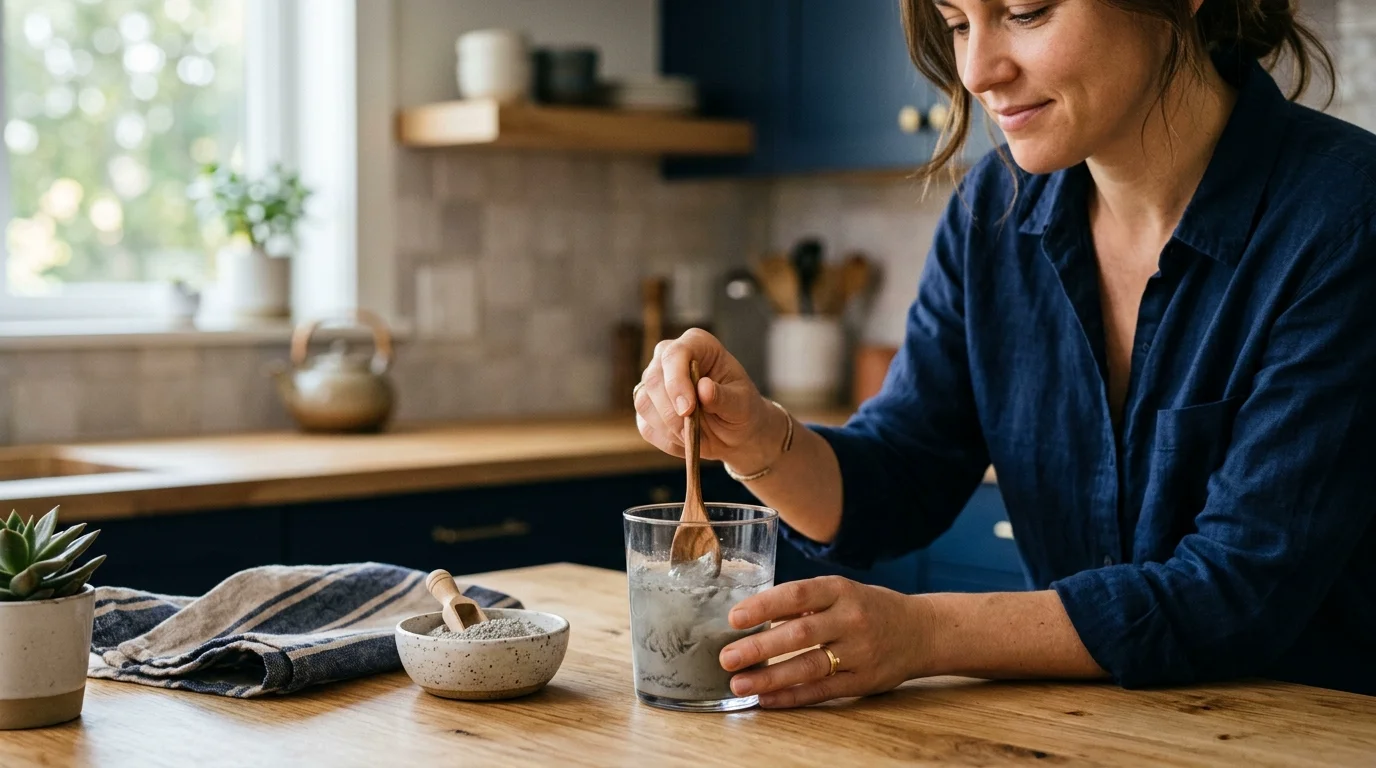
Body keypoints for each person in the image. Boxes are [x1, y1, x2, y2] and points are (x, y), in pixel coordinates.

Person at [633, 0, 1376, 707]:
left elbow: (1239, 591)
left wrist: (924, 634)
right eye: (957, 23)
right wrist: (758, 437)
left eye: (1026, 13)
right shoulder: (993, 209)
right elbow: (898, 479)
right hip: (1083, 734)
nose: (979, 70)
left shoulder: (1345, 215)